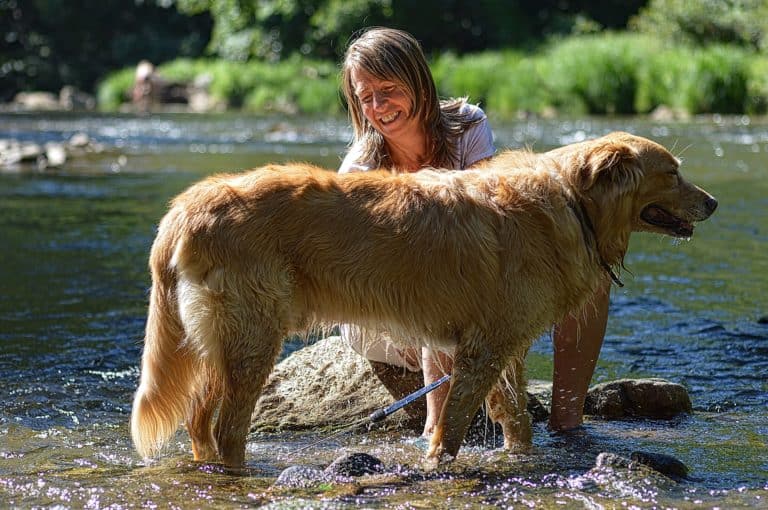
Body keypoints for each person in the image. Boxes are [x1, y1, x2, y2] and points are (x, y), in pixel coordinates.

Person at [337, 27, 610, 438]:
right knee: (442, 273)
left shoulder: (467, 125)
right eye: (365, 97)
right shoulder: (360, 169)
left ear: (418, 80)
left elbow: (493, 211)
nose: (378, 106)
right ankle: (435, 428)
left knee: (591, 272)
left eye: (389, 89)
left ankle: (567, 422)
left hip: (463, 284)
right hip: (385, 309)